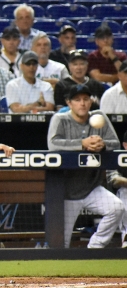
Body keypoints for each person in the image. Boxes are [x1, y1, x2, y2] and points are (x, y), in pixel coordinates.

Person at [47, 84, 124, 248]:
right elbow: (53, 144)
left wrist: (102, 145)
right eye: (77, 100)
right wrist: (82, 144)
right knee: (61, 245)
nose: (82, 103)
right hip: (66, 193)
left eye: (85, 99)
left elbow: (115, 143)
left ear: (91, 101)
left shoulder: (99, 117)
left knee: (116, 208)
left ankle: (94, 247)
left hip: (91, 189)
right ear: (69, 103)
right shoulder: (60, 119)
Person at [106, 130, 127, 248]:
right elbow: (114, 180)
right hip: (123, 193)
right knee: (124, 192)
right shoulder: (116, 157)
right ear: (125, 145)